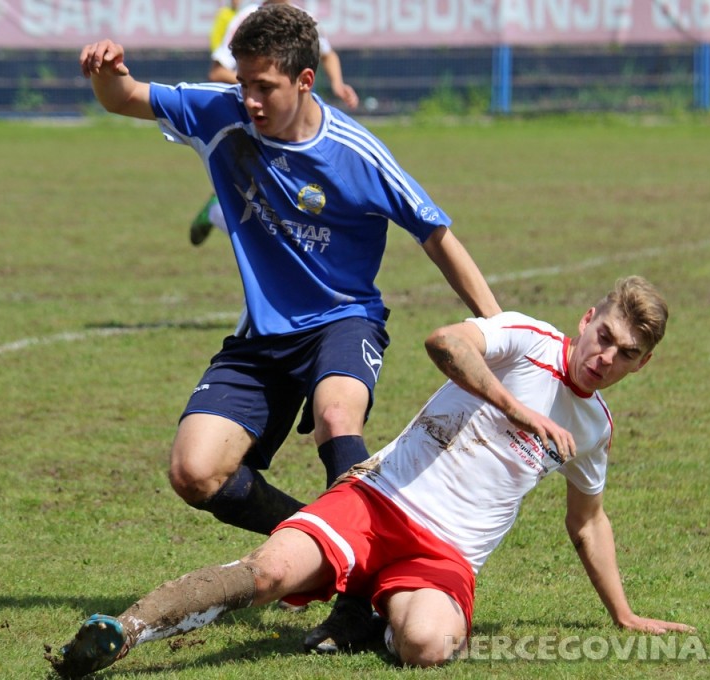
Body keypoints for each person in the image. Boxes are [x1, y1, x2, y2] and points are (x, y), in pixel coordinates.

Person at [76, 2, 501, 656]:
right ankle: (328, 544)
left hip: (343, 318)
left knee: (338, 418)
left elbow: (435, 233)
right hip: (262, 338)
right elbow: (125, 98)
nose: (249, 98)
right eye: (243, 82)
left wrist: (498, 329)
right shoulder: (220, 112)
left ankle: (358, 603)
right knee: (194, 472)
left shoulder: (356, 153)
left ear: (305, 81)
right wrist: (107, 73)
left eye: (265, 86)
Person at [46, 275, 694, 678]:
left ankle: (368, 609)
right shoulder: (526, 339)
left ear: (641, 366)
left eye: (626, 354)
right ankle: (122, 633)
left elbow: (589, 521)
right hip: (379, 498)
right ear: (587, 320)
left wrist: (625, 614)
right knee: (267, 572)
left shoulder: (594, 428)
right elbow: (445, 342)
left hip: (447, 554)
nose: (605, 357)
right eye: (604, 336)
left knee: (428, 645)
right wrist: (517, 409)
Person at [191, 0, 360, 246]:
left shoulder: (302, 18)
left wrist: (337, 84)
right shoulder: (248, 19)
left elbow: (328, 52)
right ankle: (218, 212)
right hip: (254, 121)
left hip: (293, 124)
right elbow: (217, 72)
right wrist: (261, 88)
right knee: (270, 221)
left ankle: (219, 209)